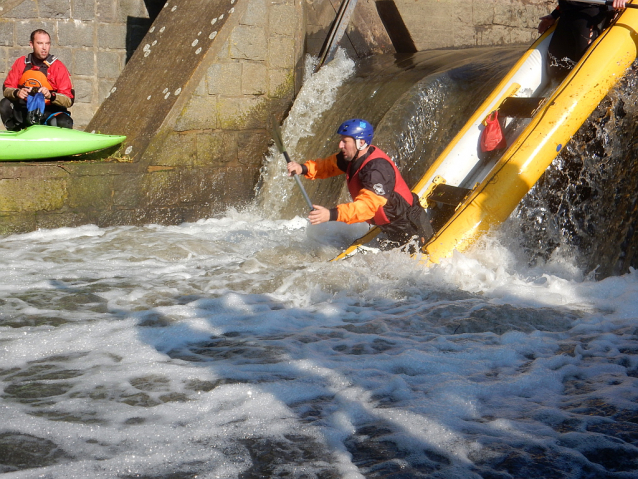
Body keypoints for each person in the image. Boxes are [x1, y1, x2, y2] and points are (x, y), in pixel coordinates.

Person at [287, 118, 434, 250]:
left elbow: (367, 208)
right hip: (389, 225)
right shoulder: (352, 156)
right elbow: (328, 166)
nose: (340, 145)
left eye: (345, 141)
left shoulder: (376, 171)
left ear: (361, 142)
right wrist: (302, 168)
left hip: (409, 227)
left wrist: (330, 214)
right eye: (341, 140)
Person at [1, 29, 74, 131]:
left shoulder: (58, 67)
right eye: (40, 43)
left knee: (64, 122)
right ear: (31, 44)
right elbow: (6, 89)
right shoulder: (21, 63)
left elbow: (69, 100)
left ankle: (52, 139)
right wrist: (17, 92)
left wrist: (51, 95)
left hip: (49, 112)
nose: (44, 48)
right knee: (5, 104)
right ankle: (16, 133)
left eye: (47, 44)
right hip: (25, 110)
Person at [538, 0, 627, 79]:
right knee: (555, 70)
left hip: (592, 12)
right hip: (568, 13)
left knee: (584, 68)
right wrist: (555, 14)